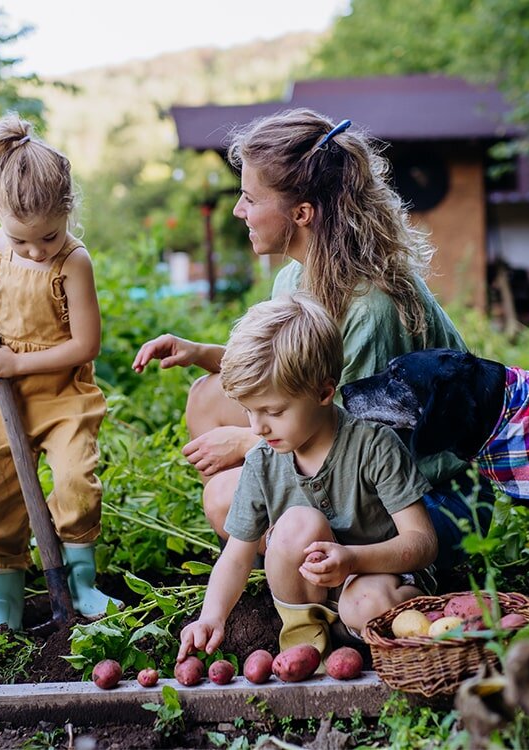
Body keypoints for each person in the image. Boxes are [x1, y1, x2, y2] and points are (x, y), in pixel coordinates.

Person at [133, 108, 491, 577]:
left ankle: (333, 566)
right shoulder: (293, 278)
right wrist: (203, 354)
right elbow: (293, 374)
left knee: (225, 498)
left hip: (430, 499)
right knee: (209, 394)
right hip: (357, 460)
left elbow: (359, 434)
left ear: (301, 213)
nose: (239, 210)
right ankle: (295, 550)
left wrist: (246, 442)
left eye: (249, 198)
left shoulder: (369, 305)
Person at [177, 294, 437, 663]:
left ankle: (390, 621)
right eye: (249, 411)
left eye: (273, 411)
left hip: (376, 575)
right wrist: (210, 617)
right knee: (296, 524)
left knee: (367, 605)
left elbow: (423, 542)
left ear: (324, 392)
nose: (256, 426)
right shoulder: (263, 460)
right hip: (311, 591)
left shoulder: (374, 445)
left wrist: (351, 560)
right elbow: (236, 557)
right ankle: (305, 637)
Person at [0, 113, 120, 629]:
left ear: (68, 210)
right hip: (4, 395)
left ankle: (81, 584)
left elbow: (86, 343)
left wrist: (20, 361)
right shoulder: (1, 248)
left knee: (74, 480)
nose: (36, 251)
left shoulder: (73, 262)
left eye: (48, 235)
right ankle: (4, 603)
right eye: (22, 241)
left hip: (63, 392)